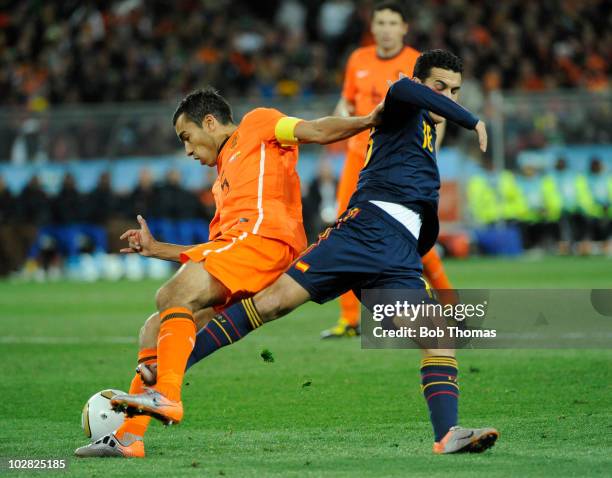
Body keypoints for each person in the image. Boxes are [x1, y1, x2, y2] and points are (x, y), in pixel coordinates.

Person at [114, 50, 499, 455]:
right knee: (272, 303)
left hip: (398, 249)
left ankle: (447, 434)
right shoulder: (405, 105)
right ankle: (164, 379)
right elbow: (400, 88)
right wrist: (471, 119)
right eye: (441, 88)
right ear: (423, 87)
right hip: (364, 230)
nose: (450, 97)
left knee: (436, 336)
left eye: (456, 91)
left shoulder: (422, 125)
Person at [74, 87, 383, 458]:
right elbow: (216, 254)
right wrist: (157, 250)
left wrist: (367, 121)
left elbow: (315, 130)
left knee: (169, 296)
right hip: (244, 250)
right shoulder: (223, 181)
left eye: (187, 137)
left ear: (209, 122)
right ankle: (129, 437)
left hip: (267, 241)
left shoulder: (259, 125)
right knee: (154, 330)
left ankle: (168, 396)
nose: (187, 150)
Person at [323, 0, 453, 339]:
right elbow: (346, 103)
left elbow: (439, 112)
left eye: (392, 22)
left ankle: (450, 305)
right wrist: (339, 127)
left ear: (404, 27)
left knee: (413, 238)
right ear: (373, 26)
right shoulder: (358, 59)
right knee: (342, 229)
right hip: (359, 158)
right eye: (380, 22)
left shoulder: (417, 63)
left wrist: (429, 152)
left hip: (399, 162)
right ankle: (349, 319)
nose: (385, 29)